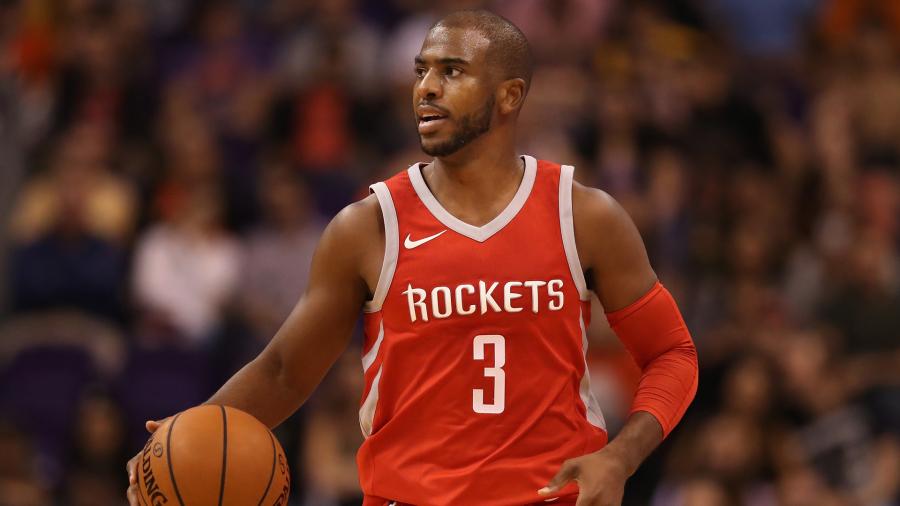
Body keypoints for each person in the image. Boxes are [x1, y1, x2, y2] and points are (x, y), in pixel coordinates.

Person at [126, 9, 698, 506]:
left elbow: (672, 352)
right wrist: (181, 441)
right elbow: (283, 371)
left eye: (452, 71)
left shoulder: (584, 215)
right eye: (421, 70)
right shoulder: (368, 225)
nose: (427, 86)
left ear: (510, 95)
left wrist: (621, 457)